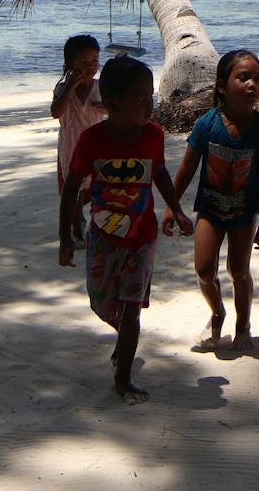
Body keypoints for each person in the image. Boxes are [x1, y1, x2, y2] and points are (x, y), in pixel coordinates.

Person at [59, 55, 193, 404]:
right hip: (102, 236)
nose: (150, 104)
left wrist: (175, 209)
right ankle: (125, 339)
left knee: (131, 306)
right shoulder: (91, 141)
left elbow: (159, 172)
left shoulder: (153, 135)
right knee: (101, 302)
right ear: (113, 106)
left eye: (151, 96)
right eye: (141, 99)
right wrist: (65, 238)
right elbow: (72, 188)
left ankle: (124, 377)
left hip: (141, 237)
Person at [172, 49, 259, 352]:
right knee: (204, 270)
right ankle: (217, 312)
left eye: (257, 79)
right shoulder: (207, 124)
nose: (252, 84)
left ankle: (243, 324)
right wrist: (172, 205)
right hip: (209, 209)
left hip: (245, 214)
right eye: (243, 77)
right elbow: (186, 167)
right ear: (222, 85)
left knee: (238, 270)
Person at [50, 33, 104, 195]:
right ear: (70, 64)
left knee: (94, 185)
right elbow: (56, 112)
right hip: (70, 143)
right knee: (72, 187)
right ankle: (76, 219)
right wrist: (69, 88)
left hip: (95, 141)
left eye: (94, 60)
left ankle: (84, 215)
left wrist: (105, 107)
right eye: (84, 62)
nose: (91, 66)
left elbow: (115, 110)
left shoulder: (99, 87)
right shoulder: (62, 88)